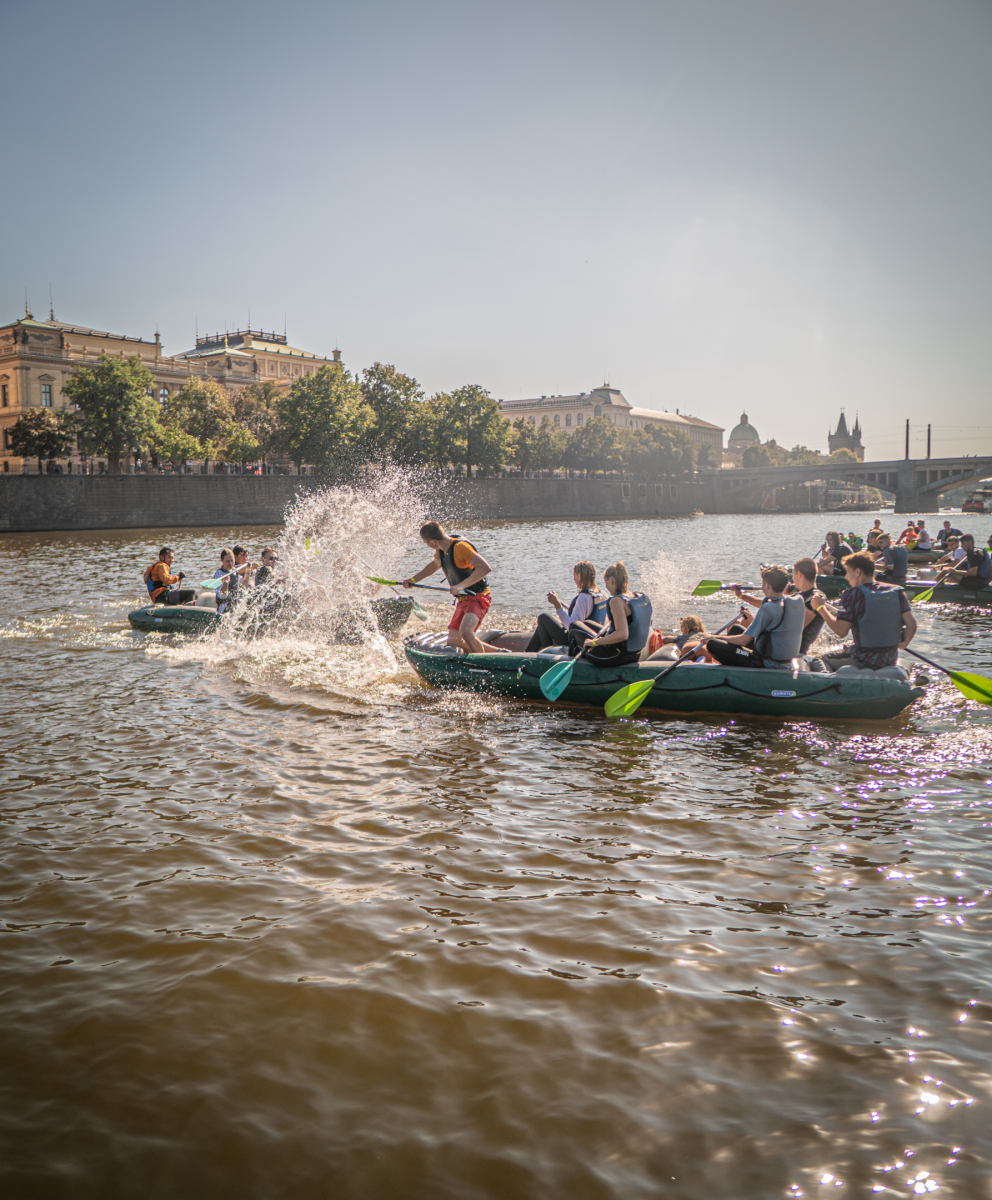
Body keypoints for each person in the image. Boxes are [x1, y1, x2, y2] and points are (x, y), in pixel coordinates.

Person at [812, 552, 916, 671]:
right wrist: (903, 643)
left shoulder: (851, 594)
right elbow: (911, 625)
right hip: (889, 659)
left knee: (818, 659)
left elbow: (841, 631)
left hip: (862, 660)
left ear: (857, 572)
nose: (846, 577)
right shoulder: (897, 592)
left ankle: (828, 683)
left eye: (847, 572)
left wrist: (820, 607)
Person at [403, 522, 493, 654]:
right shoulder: (440, 549)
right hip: (463, 599)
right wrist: (412, 580)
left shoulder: (461, 548)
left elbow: (485, 568)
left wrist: (461, 585)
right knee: (454, 642)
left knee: (466, 632)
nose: (426, 545)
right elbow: (434, 565)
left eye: (425, 542)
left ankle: (484, 665)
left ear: (433, 542)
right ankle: (501, 652)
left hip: (477, 596)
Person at [706, 565, 805, 670]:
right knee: (736, 629)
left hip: (768, 662)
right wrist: (741, 595)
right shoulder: (798, 601)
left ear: (767, 585)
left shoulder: (767, 609)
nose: (762, 586)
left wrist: (714, 637)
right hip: (782, 657)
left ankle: (735, 672)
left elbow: (743, 640)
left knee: (713, 644)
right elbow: (768, 602)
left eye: (763, 583)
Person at [573, 561, 652, 667]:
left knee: (575, 626)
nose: (607, 587)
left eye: (606, 583)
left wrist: (595, 642)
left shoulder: (616, 601)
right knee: (588, 623)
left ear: (611, 580)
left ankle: (569, 655)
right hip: (635, 654)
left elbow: (622, 635)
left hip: (616, 656)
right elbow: (648, 622)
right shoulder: (639, 597)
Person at [524, 561, 608, 653]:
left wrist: (557, 606)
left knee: (543, 618)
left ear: (579, 576)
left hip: (579, 641)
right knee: (541, 628)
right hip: (593, 637)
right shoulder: (603, 594)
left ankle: (546, 655)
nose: (574, 579)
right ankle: (529, 653)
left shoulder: (584, 597)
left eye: (574, 575)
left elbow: (571, 627)